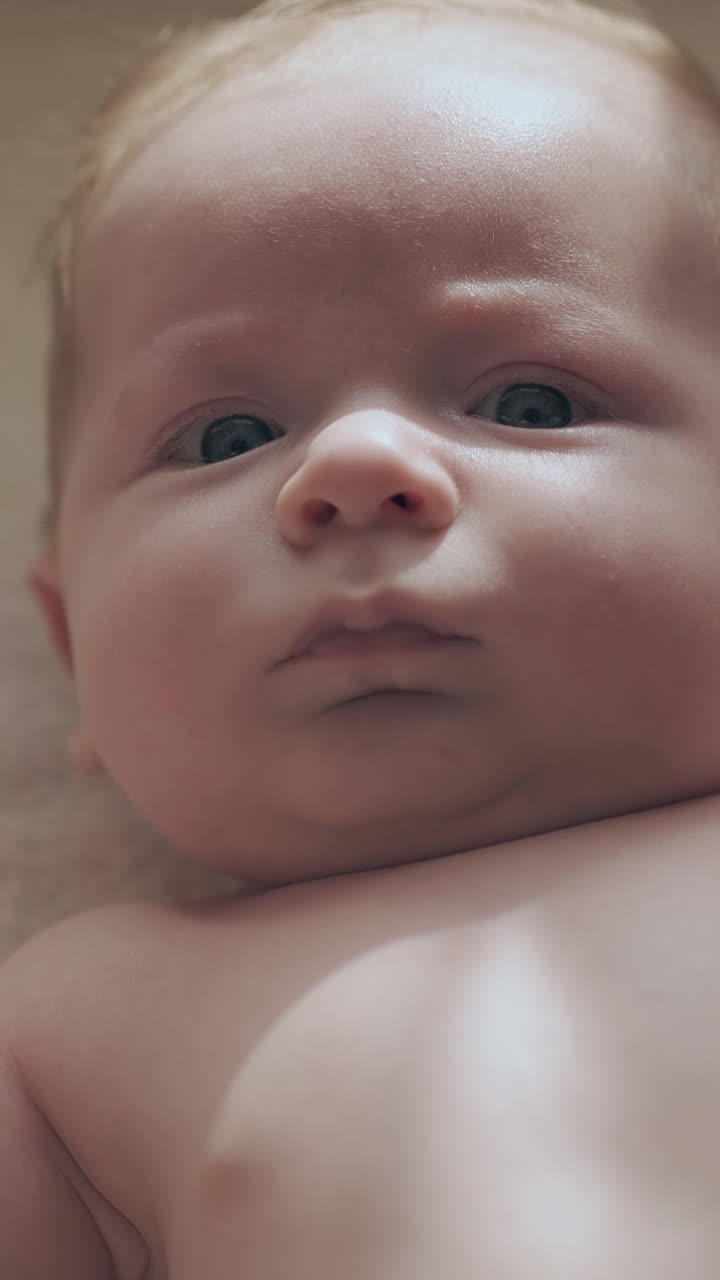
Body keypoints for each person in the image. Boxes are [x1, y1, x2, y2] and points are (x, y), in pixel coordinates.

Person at [4, 0, 720, 1272]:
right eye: (225, 437)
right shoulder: (77, 1020)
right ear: (72, 649)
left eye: (532, 398)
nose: (353, 464)